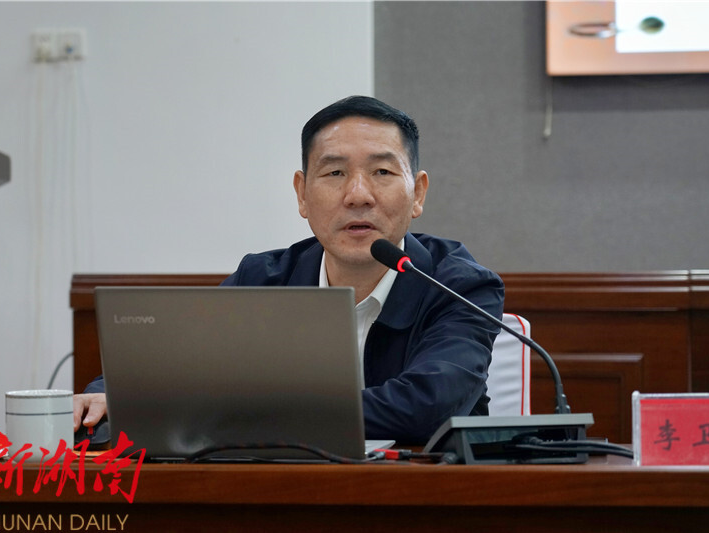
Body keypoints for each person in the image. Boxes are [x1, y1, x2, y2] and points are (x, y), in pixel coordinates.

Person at [74, 96, 504, 443]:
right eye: (335, 172)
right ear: (302, 194)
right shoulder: (263, 280)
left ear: (418, 194)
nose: (358, 195)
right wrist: (108, 394)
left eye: (382, 171)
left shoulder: (461, 287)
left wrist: (250, 416)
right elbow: (167, 363)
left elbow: (428, 407)